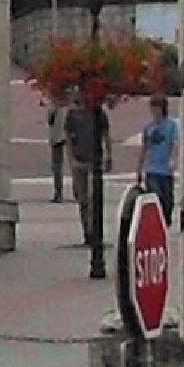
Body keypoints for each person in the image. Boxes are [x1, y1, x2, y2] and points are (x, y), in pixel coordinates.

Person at [68, 96, 112, 258]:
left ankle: (94, 232)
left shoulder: (98, 113)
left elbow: (106, 135)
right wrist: (71, 159)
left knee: (94, 199)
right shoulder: (72, 115)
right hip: (79, 161)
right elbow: (69, 138)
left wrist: (108, 155)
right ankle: (87, 231)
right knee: (82, 199)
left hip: (94, 161)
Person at [139, 92, 180, 218]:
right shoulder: (148, 128)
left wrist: (173, 158)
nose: (154, 110)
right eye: (152, 107)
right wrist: (139, 168)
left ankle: (166, 221)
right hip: (152, 169)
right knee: (155, 197)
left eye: (156, 107)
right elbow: (144, 148)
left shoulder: (171, 125)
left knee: (168, 200)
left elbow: (174, 143)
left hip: (166, 170)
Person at [47, 98, 69, 202]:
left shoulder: (53, 102)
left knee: (57, 165)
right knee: (76, 163)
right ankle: (79, 192)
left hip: (57, 134)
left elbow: (50, 118)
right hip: (70, 132)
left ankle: (58, 193)